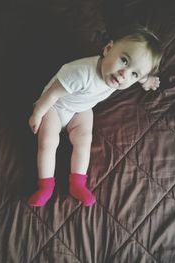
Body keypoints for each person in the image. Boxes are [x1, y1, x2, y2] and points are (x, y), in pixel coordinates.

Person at [27, 24, 163, 207]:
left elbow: (137, 73)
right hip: (55, 106)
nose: (124, 74)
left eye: (134, 73)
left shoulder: (119, 76)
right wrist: (38, 113)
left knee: (84, 139)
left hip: (81, 108)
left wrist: (146, 80)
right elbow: (52, 94)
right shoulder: (81, 73)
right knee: (48, 142)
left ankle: (77, 183)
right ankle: (45, 186)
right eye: (124, 60)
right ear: (108, 49)